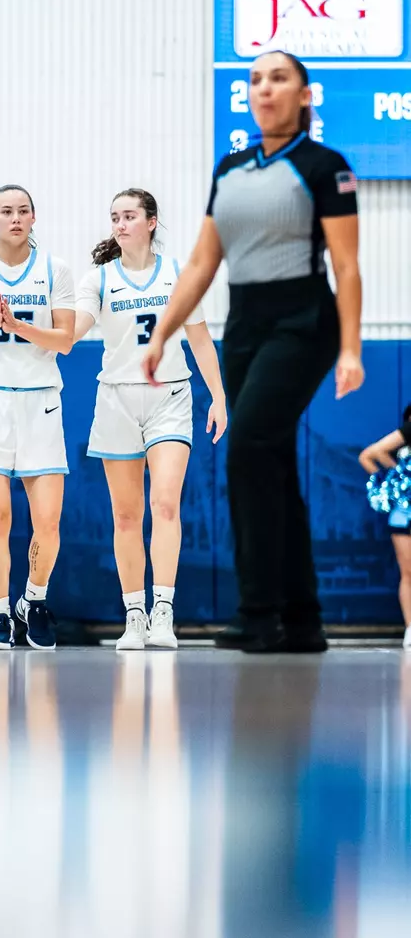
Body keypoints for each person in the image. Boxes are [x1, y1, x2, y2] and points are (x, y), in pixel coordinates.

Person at [142, 50, 364, 653]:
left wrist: (350, 347)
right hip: (245, 325)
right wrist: (163, 332)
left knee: (247, 449)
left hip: (303, 320)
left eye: (279, 78)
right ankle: (303, 620)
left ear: (304, 95)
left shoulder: (325, 166)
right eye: (256, 80)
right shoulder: (231, 168)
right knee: (273, 463)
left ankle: (258, 610)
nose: (265, 88)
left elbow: (345, 264)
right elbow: (200, 263)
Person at [75, 189, 227, 651]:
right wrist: (27, 325)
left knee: (164, 504)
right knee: (125, 515)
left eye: (129, 216)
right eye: (115, 217)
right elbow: (72, 333)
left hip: (170, 396)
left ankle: (164, 611)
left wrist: (219, 397)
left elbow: (200, 341)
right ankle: (134, 615)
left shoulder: (179, 274)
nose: (120, 224)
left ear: (151, 222)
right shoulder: (98, 279)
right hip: (117, 398)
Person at [0, 185, 75, 650]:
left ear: (34, 218)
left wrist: (19, 326)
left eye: (23, 211)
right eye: (7, 211)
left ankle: (34, 600)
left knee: (47, 521)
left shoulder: (55, 270)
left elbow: (65, 341)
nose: (16, 218)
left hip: (41, 399)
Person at [358, 404, 411, 650]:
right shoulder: (406, 434)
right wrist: (396, 481)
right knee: (408, 573)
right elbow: (369, 454)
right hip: (404, 514)